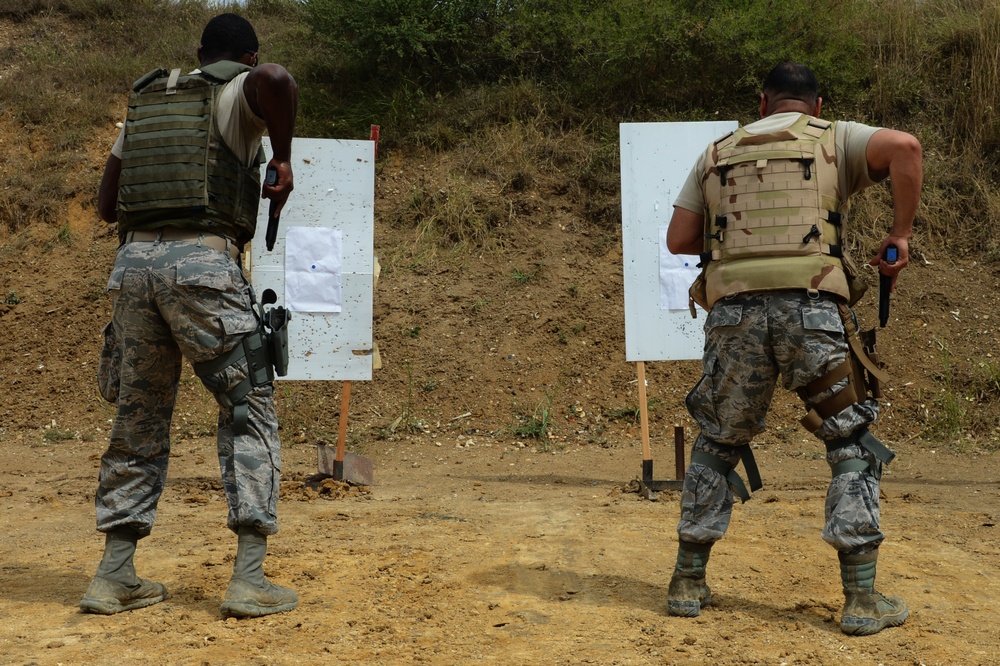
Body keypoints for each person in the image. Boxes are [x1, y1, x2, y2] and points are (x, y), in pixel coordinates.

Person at [665, 62, 922, 636]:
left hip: (733, 316)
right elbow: (905, 147)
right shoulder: (836, 138)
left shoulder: (717, 152)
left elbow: (680, 239)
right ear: (817, 104)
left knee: (718, 439)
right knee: (850, 440)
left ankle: (687, 581)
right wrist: (900, 234)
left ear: (762, 104)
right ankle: (860, 600)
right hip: (812, 310)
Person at [81, 13, 299, 619]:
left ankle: (114, 575)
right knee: (247, 410)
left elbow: (105, 205)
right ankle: (249, 580)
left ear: (199, 52)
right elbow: (279, 81)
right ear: (246, 59)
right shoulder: (236, 93)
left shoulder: (148, 104)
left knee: (138, 418)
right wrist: (281, 157)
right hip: (201, 267)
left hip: (132, 269)